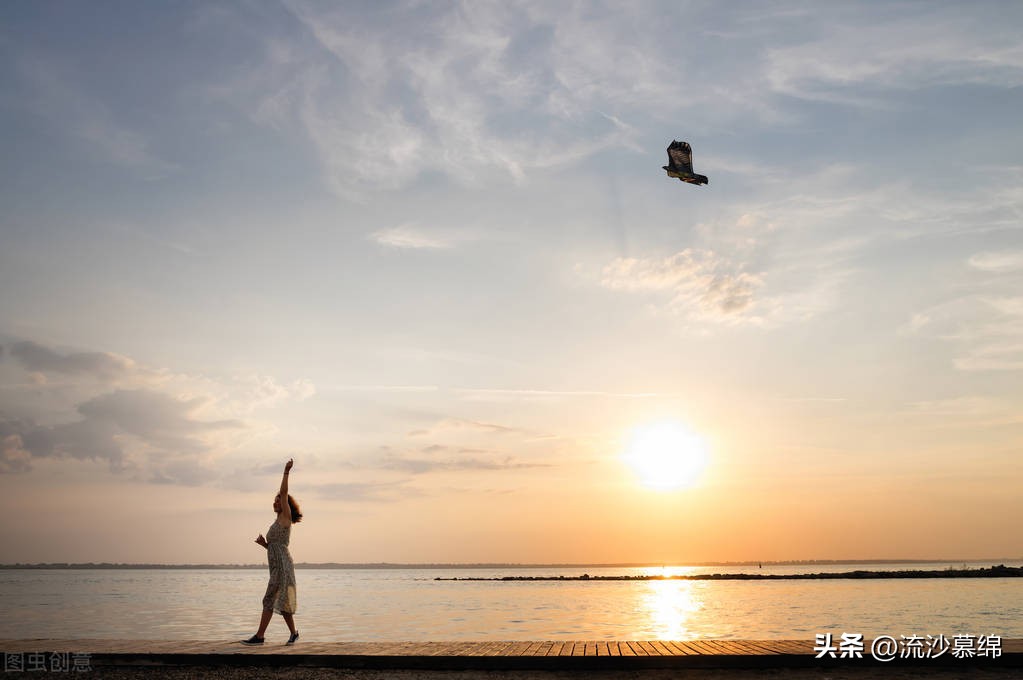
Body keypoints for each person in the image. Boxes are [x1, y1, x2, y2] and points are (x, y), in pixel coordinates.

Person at [243, 458, 302, 645]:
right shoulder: (276, 522)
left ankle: (259, 636)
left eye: (278, 500)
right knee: (282, 601)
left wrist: (286, 471)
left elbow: (284, 493)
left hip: (283, 566)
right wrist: (265, 545)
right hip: (277, 565)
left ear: (285, 504)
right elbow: (275, 547)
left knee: (269, 598)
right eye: (274, 501)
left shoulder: (286, 517)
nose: (275, 502)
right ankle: (294, 633)